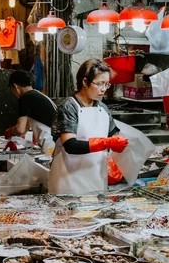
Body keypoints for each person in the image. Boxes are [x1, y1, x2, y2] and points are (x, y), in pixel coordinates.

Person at [48, 59, 128, 195]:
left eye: (106, 84)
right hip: (69, 180)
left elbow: (113, 134)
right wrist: (106, 142)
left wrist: (117, 146)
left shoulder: (102, 108)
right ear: (85, 82)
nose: (103, 89)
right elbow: (70, 145)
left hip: (96, 178)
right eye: (99, 84)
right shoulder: (69, 106)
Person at [4, 70, 57, 155]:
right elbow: (25, 126)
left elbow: (20, 129)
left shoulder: (24, 98)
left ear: (15, 87)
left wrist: (10, 131)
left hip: (49, 143)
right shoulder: (38, 95)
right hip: (58, 141)